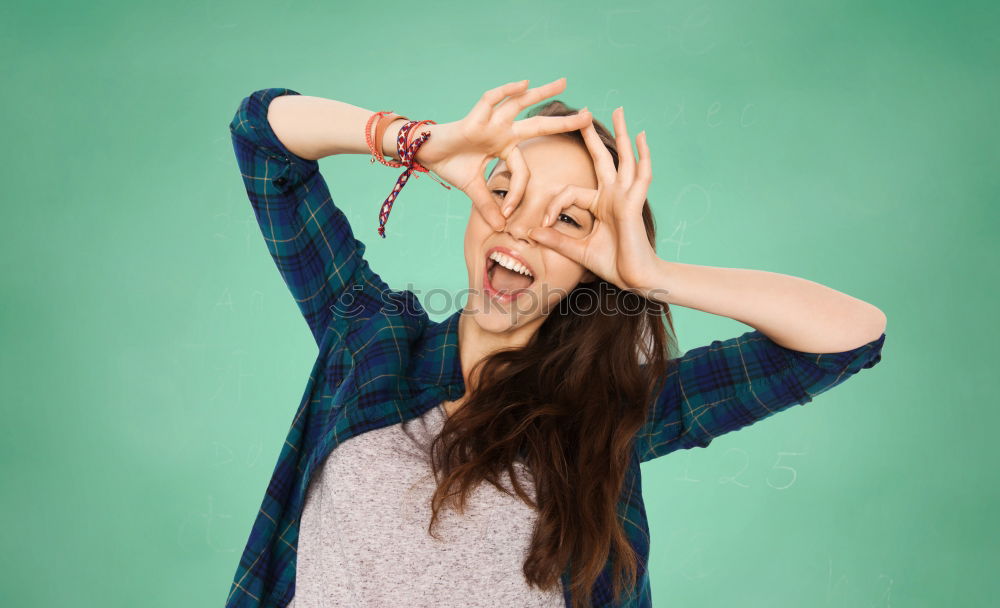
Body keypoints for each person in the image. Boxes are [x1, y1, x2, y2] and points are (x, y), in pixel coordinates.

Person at [224, 78, 887, 608]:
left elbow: (847, 337)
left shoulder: (613, 410)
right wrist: (420, 143)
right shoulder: (370, 339)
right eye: (508, 192)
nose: (525, 230)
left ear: (590, 267)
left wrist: (651, 276)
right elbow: (263, 134)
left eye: (568, 221)